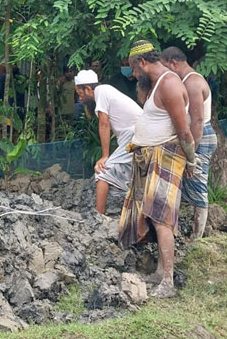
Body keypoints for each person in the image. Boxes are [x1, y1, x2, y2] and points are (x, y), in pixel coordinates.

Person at [119, 40, 196, 298]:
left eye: (134, 68)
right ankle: (161, 272)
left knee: (163, 218)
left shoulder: (170, 84)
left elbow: (183, 129)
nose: (133, 75)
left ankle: (168, 281)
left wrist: (191, 160)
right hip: (152, 157)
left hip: (166, 156)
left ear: (142, 62)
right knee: (154, 215)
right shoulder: (156, 85)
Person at [160, 47, 217, 239]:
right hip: (193, 137)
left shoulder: (192, 82)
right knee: (188, 182)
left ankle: (197, 236)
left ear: (173, 63)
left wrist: (190, 154)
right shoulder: (185, 81)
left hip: (199, 137)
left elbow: (198, 122)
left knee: (197, 180)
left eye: (165, 66)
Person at [74, 69, 143, 214]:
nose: (80, 99)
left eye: (80, 94)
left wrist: (105, 156)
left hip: (134, 135)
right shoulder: (105, 91)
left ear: (88, 89)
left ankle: (99, 215)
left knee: (103, 172)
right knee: (133, 175)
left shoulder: (101, 92)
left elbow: (104, 124)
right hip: (134, 135)